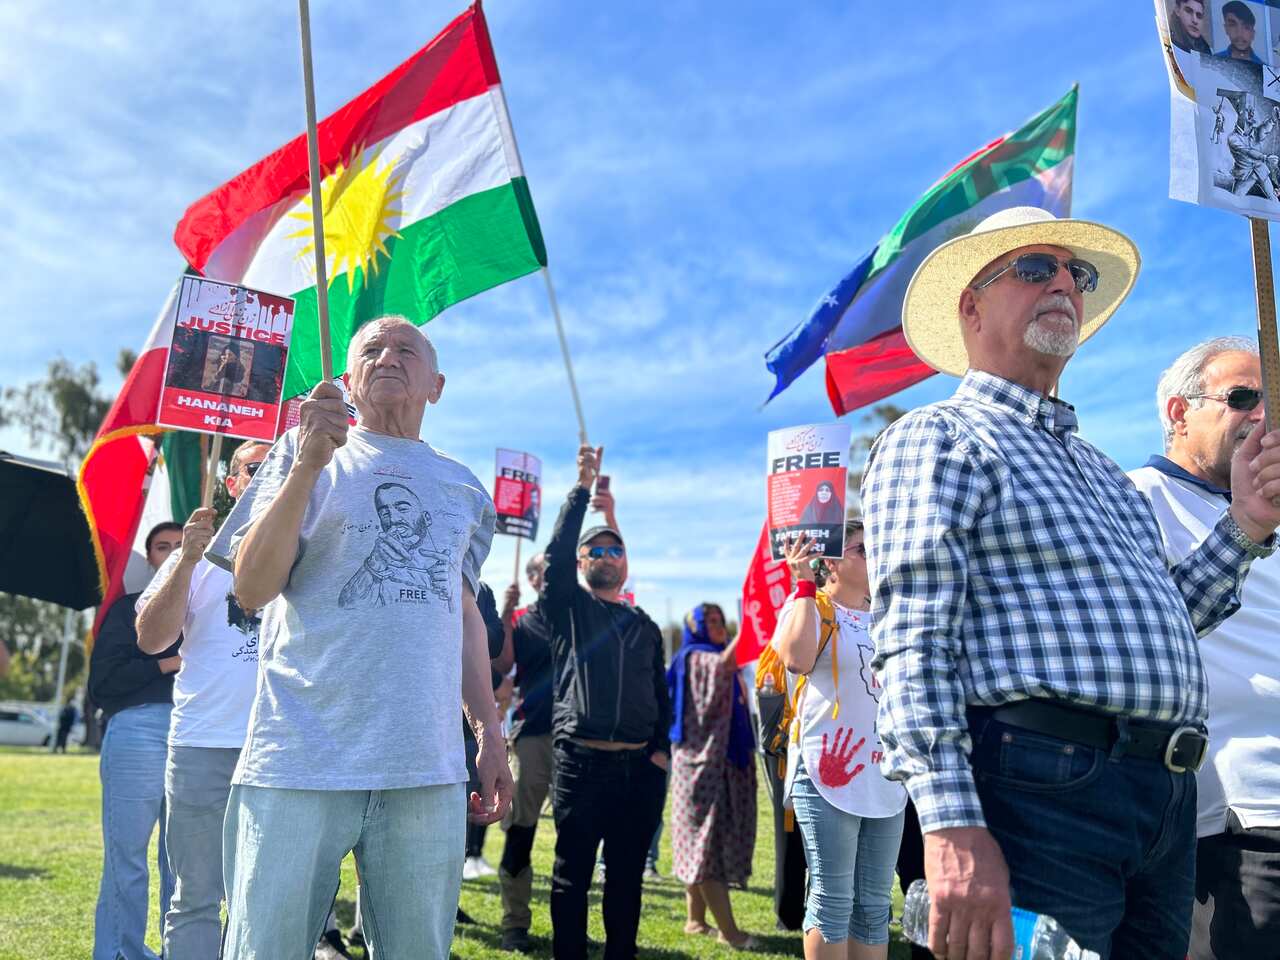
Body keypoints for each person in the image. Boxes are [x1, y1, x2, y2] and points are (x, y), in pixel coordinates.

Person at [862, 205, 1280, 958]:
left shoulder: (1100, 470)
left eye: (1075, 274)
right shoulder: (939, 435)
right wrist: (952, 828)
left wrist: (1245, 525)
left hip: (1160, 799)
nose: (1063, 283)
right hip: (1039, 788)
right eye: (1033, 269)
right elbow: (911, 642)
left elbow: (1169, 621)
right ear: (971, 306)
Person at [207, 315, 512, 959]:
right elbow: (252, 588)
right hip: (299, 755)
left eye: (407, 349)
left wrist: (487, 732)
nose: (388, 356)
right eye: (371, 349)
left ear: (437, 384)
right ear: (348, 378)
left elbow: (460, 615)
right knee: (265, 948)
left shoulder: (465, 489)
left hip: (423, 766)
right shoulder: (302, 451)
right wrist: (308, 463)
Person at [1129, 336, 1280, 960]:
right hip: (1239, 820)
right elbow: (1148, 642)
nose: (1262, 417)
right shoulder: (1133, 500)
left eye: (1271, 403)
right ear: (1178, 413)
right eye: (1242, 398)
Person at [134, 439, 269, 960]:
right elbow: (151, 640)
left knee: (264, 902)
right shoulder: (194, 553)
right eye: (253, 469)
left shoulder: (305, 546)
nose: (263, 478)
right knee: (193, 899)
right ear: (230, 482)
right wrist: (187, 560)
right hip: (202, 747)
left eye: (274, 466)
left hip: (278, 751)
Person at [543, 444, 670, 960]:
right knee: (571, 878)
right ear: (582, 562)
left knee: (625, 881)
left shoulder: (645, 626)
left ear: (625, 563)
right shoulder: (570, 611)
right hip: (581, 767)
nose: (605, 555)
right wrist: (581, 490)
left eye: (614, 550)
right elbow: (555, 556)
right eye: (594, 550)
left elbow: (661, 695)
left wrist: (659, 752)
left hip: (639, 772)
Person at [773, 521, 906, 960]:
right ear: (831, 561)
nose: (875, 554)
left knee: (873, 906)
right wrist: (803, 585)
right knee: (832, 900)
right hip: (827, 772)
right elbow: (795, 658)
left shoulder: (890, 616)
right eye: (862, 549)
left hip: (885, 777)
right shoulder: (810, 606)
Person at [88, 521, 184, 960]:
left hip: (197, 734)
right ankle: (116, 952)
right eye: (163, 547)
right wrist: (167, 664)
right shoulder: (128, 609)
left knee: (182, 863)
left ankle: (177, 951)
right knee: (126, 858)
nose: (173, 552)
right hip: (138, 731)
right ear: (150, 559)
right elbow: (104, 685)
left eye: (182, 544)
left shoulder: (216, 609)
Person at [667, 603, 758, 949]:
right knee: (704, 850)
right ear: (697, 628)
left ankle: (695, 920)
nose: (720, 627)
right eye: (713, 622)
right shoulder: (694, 657)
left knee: (700, 843)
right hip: (700, 767)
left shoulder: (710, 656)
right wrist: (753, 621)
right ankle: (730, 933)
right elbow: (721, 667)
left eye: (722, 621)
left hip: (713, 765)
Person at [492, 554, 555, 953]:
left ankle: (571, 922)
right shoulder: (522, 619)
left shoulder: (580, 614)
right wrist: (507, 609)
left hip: (578, 738)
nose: (552, 574)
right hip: (533, 734)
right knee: (520, 830)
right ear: (531, 578)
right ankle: (515, 922)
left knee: (579, 838)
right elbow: (501, 662)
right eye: (544, 569)